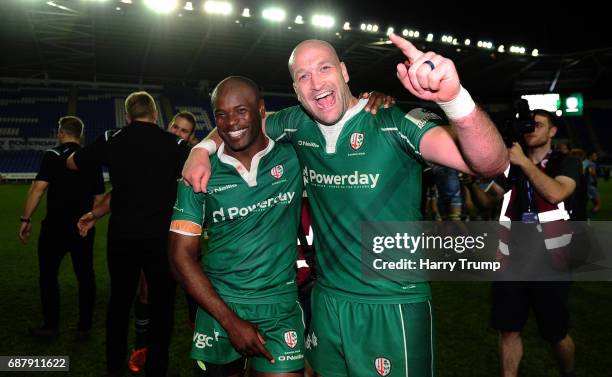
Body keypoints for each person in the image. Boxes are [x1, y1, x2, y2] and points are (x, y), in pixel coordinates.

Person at [182, 34, 508, 377]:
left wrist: (455, 99)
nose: (316, 82)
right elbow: (237, 123)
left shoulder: (393, 121)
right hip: (326, 300)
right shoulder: (295, 123)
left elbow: (489, 164)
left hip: (392, 302)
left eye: (324, 68)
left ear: (344, 72)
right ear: (296, 89)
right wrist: (200, 149)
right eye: (303, 76)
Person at [169, 76, 305, 376]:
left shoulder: (294, 157)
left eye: (241, 111)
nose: (231, 122)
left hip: (279, 306)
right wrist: (230, 322)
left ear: (261, 110)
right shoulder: (198, 174)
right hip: (219, 308)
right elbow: (180, 257)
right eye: (221, 114)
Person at [67, 91, 190, 377]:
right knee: (162, 305)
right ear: (156, 115)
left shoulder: (114, 139)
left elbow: (74, 162)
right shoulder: (173, 143)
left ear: (128, 115)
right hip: (160, 239)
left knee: (119, 301)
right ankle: (156, 368)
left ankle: (113, 366)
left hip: (122, 237)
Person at [486, 109, 581, 377]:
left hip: (551, 260)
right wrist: (476, 175)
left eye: (538, 125)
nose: (531, 129)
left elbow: (556, 192)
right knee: (508, 329)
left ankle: (568, 372)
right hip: (511, 260)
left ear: (552, 132)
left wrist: (524, 164)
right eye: (528, 125)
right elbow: (488, 197)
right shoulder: (511, 164)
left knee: (556, 333)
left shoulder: (566, 162)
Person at [18, 116, 104, 338]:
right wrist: (91, 220)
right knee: (85, 276)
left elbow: (38, 188)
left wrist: (25, 219)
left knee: (48, 275)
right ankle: (84, 328)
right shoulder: (91, 160)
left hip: (54, 228)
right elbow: (99, 197)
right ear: (80, 134)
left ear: (61, 132)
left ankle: (51, 325)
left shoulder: (52, 155)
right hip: (82, 227)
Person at [584, 150, 601, 217]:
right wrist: (595, 180)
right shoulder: (591, 163)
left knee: (585, 201)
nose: (596, 157)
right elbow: (592, 173)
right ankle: (590, 215)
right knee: (598, 203)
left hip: (584, 184)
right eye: (594, 155)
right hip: (590, 184)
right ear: (590, 156)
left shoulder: (584, 162)